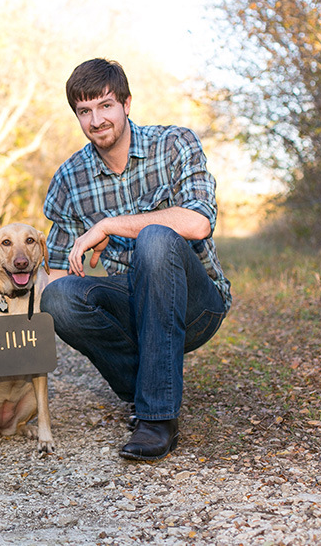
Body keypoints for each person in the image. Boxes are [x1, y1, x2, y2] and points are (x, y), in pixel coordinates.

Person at [39, 58, 232, 461]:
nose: (96, 120)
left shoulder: (175, 143)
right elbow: (56, 274)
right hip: (133, 305)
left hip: (196, 304)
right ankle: (148, 384)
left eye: (105, 105)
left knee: (156, 239)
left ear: (126, 104)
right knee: (58, 298)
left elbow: (198, 223)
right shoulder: (69, 179)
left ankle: (156, 417)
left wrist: (109, 224)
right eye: (85, 111)